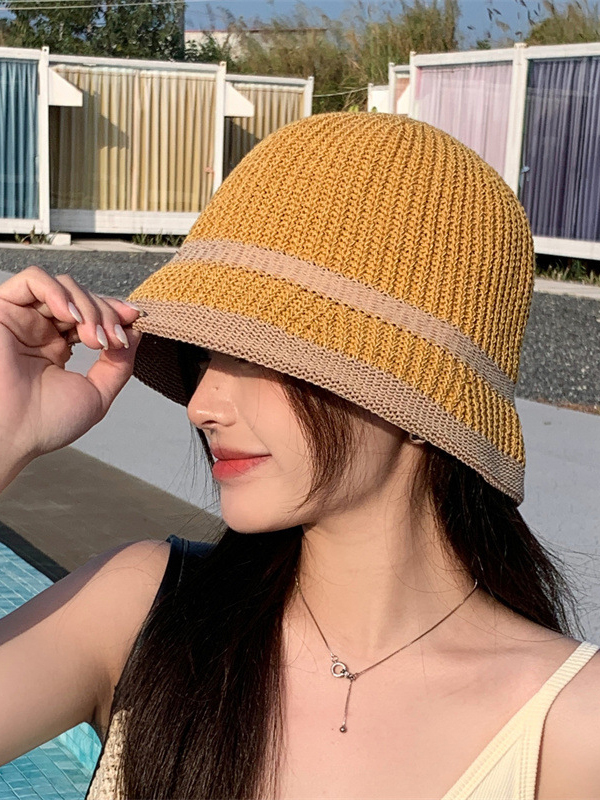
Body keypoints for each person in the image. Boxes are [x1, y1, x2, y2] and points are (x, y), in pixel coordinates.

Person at [0, 112, 598, 800]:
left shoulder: (569, 726)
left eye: (260, 353)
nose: (202, 405)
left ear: (420, 391)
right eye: (205, 355)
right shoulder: (142, 612)